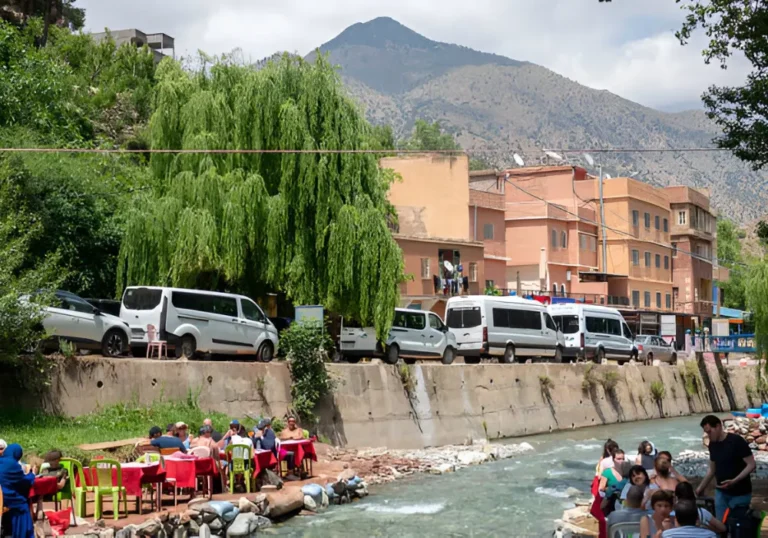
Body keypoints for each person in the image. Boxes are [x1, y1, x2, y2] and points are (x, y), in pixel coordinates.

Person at [696, 414, 756, 520]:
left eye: (710, 431)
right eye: (706, 433)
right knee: (721, 525)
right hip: (721, 493)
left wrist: (734, 481)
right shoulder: (712, 445)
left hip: (740, 493)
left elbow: (751, 465)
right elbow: (712, 469)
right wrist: (700, 488)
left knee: (736, 526)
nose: (708, 435)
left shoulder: (736, 441)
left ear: (718, 426)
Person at [0, 443, 36, 538]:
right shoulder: (12, 464)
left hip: (2, 495)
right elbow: (23, 482)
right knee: (23, 505)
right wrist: (32, 475)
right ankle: (22, 534)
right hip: (6, 498)